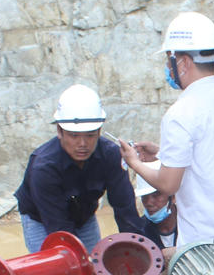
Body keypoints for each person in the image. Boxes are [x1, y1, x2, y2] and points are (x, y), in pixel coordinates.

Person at [120, 12, 214, 252]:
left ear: (183, 62)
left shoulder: (180, 113)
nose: (168, 68)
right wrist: (160, 153)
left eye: (169, 60)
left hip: (211, 243)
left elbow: (167, 185)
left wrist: (133, 162)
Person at [15, 83, 149, 252]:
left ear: (99, 132)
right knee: (61, 266)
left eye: (90, 135)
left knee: (96, 264)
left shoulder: (110, 155)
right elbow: (59, 229)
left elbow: (125, 209)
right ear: (59, 131)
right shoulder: (44, 168)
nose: (82, 144)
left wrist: (137, 248)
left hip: (84, 215)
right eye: (74, 135)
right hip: (42, 219)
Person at [135, 161, 178, 250]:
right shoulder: (140, 231)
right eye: (144, 197)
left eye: (156, 195)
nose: (149, 203)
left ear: (173, 197)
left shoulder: (190, 224)